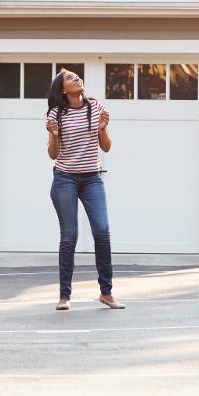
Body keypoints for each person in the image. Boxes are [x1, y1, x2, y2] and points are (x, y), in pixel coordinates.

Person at [46, 69, 124, 311]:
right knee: (70, 236)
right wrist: (54, 134)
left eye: (76, 76)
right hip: (65, 178)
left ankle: (107, 293)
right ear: (63, 89)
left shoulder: (96, 106)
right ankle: (64, 296)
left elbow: (107, 147)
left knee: (102, 231)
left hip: (92, 178)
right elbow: (53, 154)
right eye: (70, 78)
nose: (76, 78)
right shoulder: (56, 113)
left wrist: (102, 128)